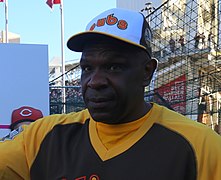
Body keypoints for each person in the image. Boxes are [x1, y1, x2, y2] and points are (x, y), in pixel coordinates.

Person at [0, 8, 221, 180]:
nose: (94, 81)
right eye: (87, 68)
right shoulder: (44, 136)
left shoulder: (200, 147)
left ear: (147, 72)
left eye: (114, 67)